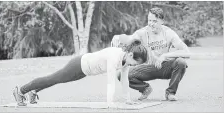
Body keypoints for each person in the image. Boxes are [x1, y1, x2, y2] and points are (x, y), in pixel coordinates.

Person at [13, 38, 148, 106]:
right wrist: (110, 104)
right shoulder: (114, 56)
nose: (135, 65)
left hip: (84, 72)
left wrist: (128, 100)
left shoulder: (125, 61)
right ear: (130, 55)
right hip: (78, 65)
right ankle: (20, 91)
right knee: (52, 78)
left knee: (56, 80)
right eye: (137, 63)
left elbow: (125, 80)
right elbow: (110, 82)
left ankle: (33, 91)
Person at [111, 7, 190, 101]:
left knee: (181, 63)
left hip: (164, 66)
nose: (151, 24)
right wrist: (118, 37)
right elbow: (129, 39)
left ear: (162, 21)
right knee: (120, 74)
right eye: (149, 20)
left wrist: (164, 56)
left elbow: (186, 52)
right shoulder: (142, 32)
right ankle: (145, 88)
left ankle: (170, 93)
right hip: (147, 67)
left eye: (155, 21)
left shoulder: (169, 33)